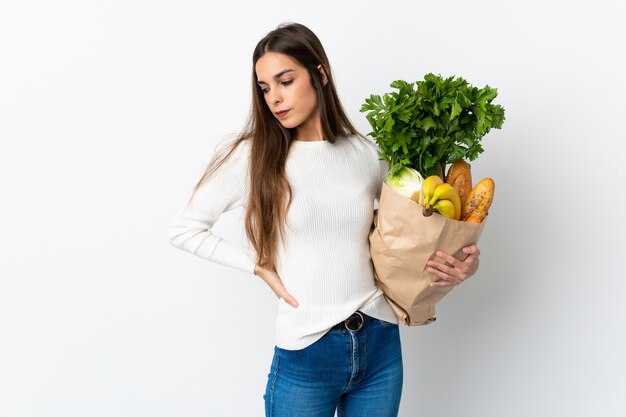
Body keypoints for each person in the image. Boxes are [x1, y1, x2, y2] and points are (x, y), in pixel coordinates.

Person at [167, 22, 481, 417]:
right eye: (265, 88)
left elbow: (412, 232)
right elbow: (184, 228)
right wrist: (257, 266)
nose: (274, 98)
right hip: (306, 352)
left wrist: (464, 261)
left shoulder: (366, 153)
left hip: (380, 341)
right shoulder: (254, 156)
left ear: (320, 74)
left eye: (285, 81)